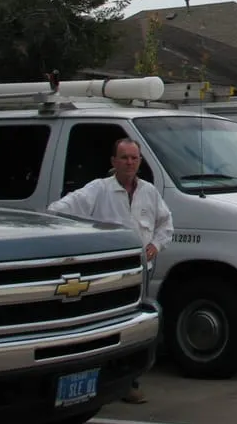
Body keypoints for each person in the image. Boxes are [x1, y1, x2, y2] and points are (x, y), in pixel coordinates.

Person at [48, 138, 173, 405]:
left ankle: (130, 381)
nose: (129, 162)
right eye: (124, 157)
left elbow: (166, 224)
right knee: (109, 327)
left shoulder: (149, 192)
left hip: (141, 273)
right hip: (108, 277)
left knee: (137, 327)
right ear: (113, 162)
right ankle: (106, 381)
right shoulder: (98, 190)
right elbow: (57, 212)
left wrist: (155, 245)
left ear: (140, 161)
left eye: (134, 158)